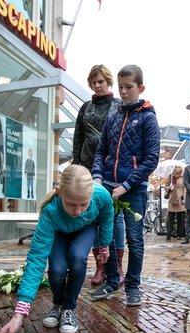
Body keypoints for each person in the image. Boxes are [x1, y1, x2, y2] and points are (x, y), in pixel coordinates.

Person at [0, 165, 114, 333]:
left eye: (84, 204)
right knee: (56, 270)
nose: (77, 211)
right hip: (59, 232)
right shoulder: (50, 212)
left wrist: (104, 245)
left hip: (85, 229)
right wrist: (19, 312)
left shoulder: (101, 195)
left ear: (92, 195)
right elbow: (36, 259)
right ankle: (57, 305)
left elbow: (107, 217)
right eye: (71, 204)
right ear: (59, 193)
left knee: (77, 257)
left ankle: (69, 309)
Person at [90, 65, 160, 306]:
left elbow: (151, 159)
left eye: (129, 87)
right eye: (120, 87)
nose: (124, 91)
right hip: (108, 184)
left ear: (140, 87)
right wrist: (98, 176)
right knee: (106, 236)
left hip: (134, 189)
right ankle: (112, 280)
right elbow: (101, 151)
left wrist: (127, 184)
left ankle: (132, 285)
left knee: (134, 238)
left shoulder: (148, 118)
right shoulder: (114, 115)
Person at [69, 65, 125, 286]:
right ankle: (100, 267)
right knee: (91, 215)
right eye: (94, 82)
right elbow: (78, 139)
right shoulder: (86, 108)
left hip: (113, 170)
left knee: (115, 217)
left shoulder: (118, 106)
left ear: (108, 82)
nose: (97, 85)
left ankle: (118, 266)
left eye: (101, 81)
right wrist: (77, 165)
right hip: (88, 169)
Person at [165, 166, 187, 241]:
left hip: (180, 200)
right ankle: (168, 235)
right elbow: (166, 186)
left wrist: (184, 198)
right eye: (176, 167)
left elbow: (184, 188)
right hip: (172, 200)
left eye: (179, 167)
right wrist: (168, 188)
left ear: (181, 169)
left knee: (180, 219)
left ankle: (179, 235)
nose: (177, 168)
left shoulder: (183, 177)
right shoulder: (171, 177)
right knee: (170, 218)